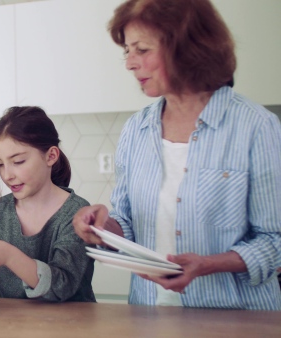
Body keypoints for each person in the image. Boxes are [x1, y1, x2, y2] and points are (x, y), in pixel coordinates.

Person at [72, 0, 281, 310]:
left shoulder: (257, 127)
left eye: (141, 50)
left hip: (236, 320)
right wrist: (104, 228)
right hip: (149, 315)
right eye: (127, 51)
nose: (130, 63)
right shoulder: (136, 130)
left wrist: (207, 264)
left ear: (187, 47)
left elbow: (274, 241)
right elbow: (128, 224)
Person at [0, 106, 96, 302]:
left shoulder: (76, 213)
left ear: (51, 156)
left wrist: (9, 256)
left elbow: (62, 286)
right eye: (0, 164)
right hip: (14, 327)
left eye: (18, 161)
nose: (7, 175)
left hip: (72, 328)